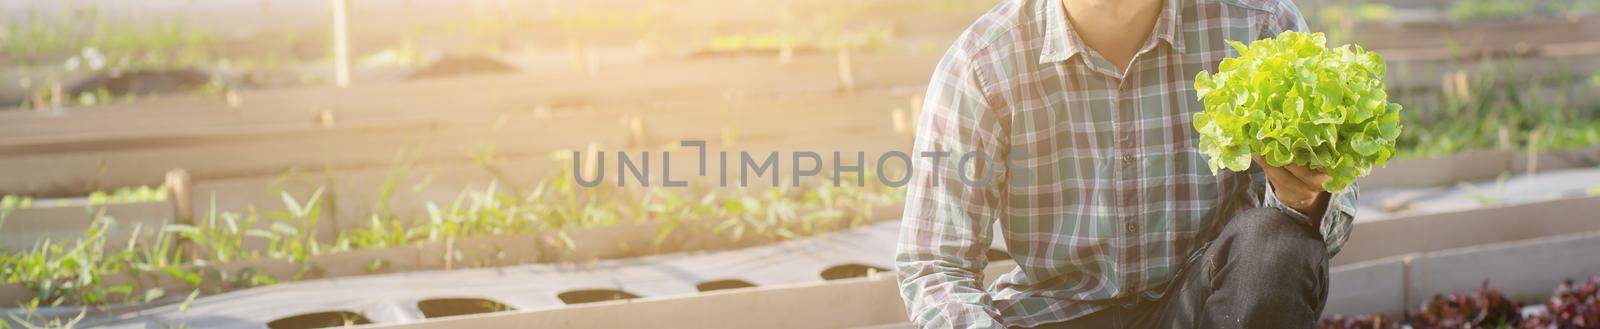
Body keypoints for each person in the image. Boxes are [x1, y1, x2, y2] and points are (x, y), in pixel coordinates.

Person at [894, 0, 1358, 328]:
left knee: (1276, 243)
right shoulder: (982, 63)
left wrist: (1308, 199)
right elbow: (935, 263)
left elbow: (1323, 232)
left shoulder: (1258, 25)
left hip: (1201, 304)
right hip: (1057, 312)